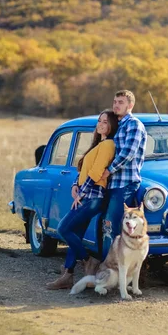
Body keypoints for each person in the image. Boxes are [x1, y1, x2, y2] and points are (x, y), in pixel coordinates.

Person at [46, 110, 118, 290]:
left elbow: (96, 173)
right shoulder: (97, 145)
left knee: (63, 228)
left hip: (93, 197)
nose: (101, 124)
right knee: (75, 234)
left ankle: (88, 260)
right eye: (100, 121)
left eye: (105, 122)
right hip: (86, 194)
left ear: (112, 126)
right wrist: (74, 186)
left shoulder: (108, 145)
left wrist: (81, 194)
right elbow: (83, 171)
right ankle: (67, 276)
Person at [100, 90, 147, 259]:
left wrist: (109, 170)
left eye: (120, 102)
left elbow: (128, 153)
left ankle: (109, 268)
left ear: (130, 105)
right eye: (114, 101)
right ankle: (105, 266)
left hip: (125, 184)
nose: (116, 105)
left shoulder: (133, 124)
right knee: (106, 225)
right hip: (113, 183)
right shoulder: (118, 125)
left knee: (110, 226)